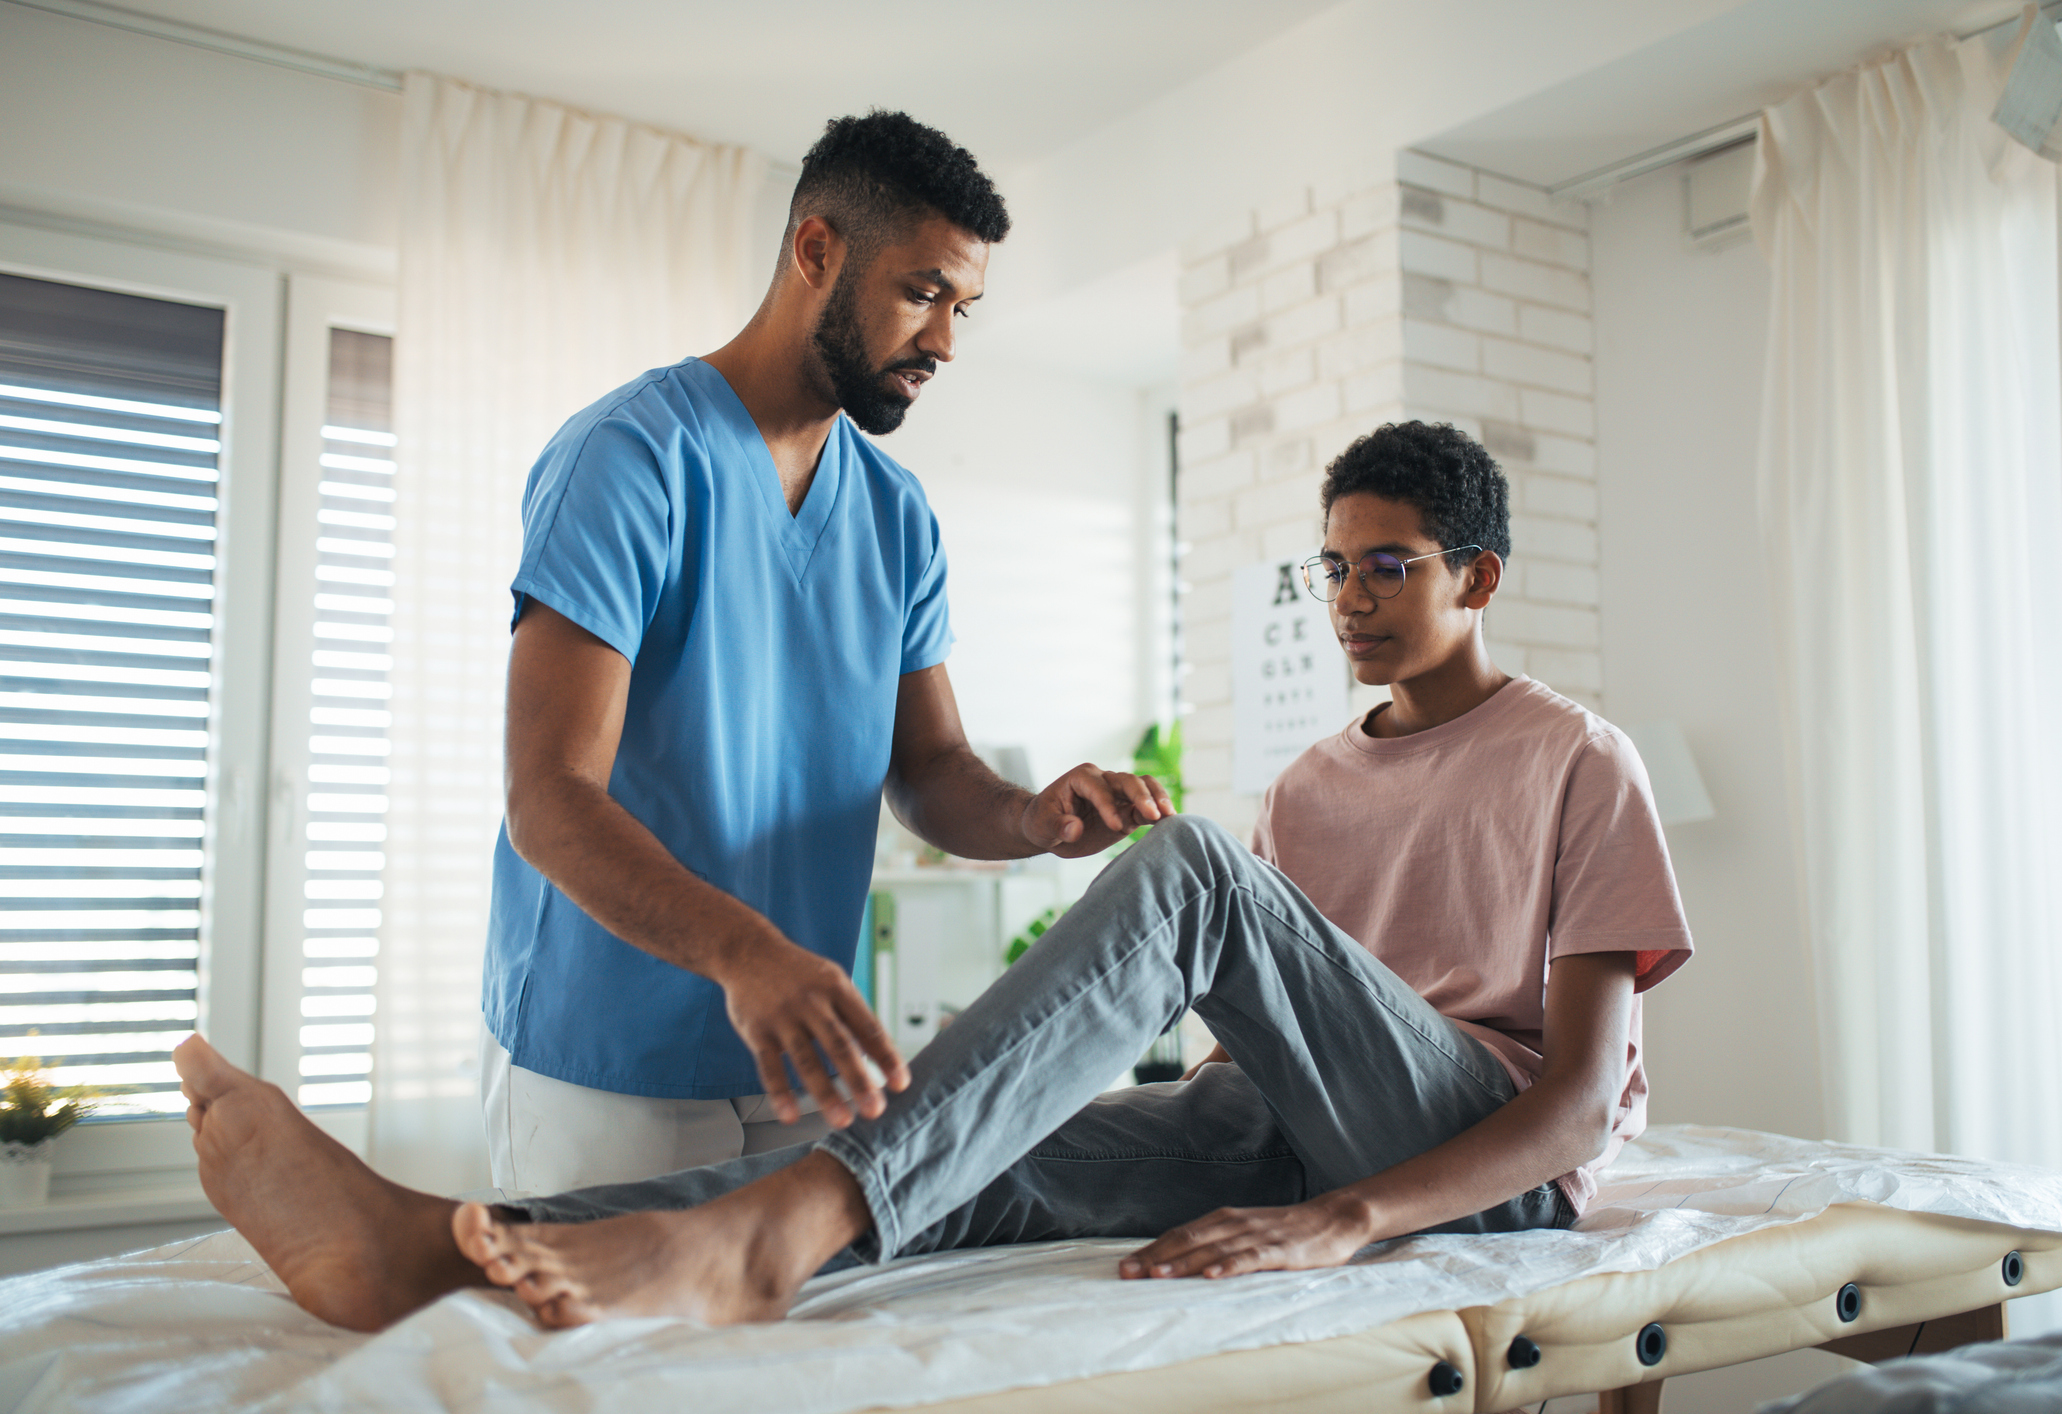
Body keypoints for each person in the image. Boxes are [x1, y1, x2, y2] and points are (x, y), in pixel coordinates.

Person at [175, 420, 1692, 1334]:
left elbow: (1570, 1111)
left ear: (1477, 578)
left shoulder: (1579, 759)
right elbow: (1264, 1040)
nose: (1353, 597)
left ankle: (757, 1228)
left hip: (1477, 1160)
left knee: (1193, 869)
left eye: (1394, 565)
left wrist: (1346, 1222)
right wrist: (1053, 1081)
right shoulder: (1312, 781)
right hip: (1290, 1115)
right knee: (966, 1151)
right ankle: (445, 1251)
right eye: (1335, 567)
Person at [483, 109, 1174, 1194]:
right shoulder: (629, 460)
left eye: (963, 308)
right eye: (921, 292)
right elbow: (549, 797)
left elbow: (933, 770)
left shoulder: (897, 515)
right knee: (612, 1362)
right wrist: (746, 956)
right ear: (817, 251)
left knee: (791, 1362)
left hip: (805, 1066)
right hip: (609, 1066)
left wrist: (1030, 817)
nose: (944, 341)